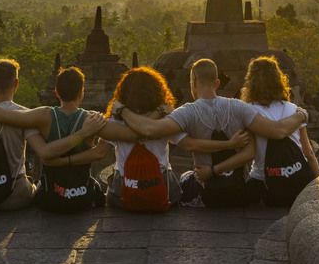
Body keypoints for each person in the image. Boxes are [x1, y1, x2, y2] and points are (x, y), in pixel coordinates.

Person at [119, 58, 307, 207]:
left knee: (185, 178)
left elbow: (148, 129)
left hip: (206, 194)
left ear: (193, 82)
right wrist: (301, 115)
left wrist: (122, 111)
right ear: (217, 82)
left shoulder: (188, 112)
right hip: (237, 191)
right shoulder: (240, 108)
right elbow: (274, 133)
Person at [0, 59, 99, 211]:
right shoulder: (25, 116)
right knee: (35, 186)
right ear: (16, 83)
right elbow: (43, 151)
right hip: (16, 197)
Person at [102, 67, 249, 211]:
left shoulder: (115, 121)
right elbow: (191, 145)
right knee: (183, 177)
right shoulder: (165, 121)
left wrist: (121, 112)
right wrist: (229, 144)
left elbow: (99, 152)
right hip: (162, 191)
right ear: (158, 91)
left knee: (111, 178)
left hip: (123, 194)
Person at [239, 56, 319, 207]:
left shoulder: (249, 112)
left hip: (264, 184)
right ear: (279, 80)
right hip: (296, 183)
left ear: (250, 82)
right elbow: (308, 152)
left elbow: (248, 153)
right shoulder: (294, 109)